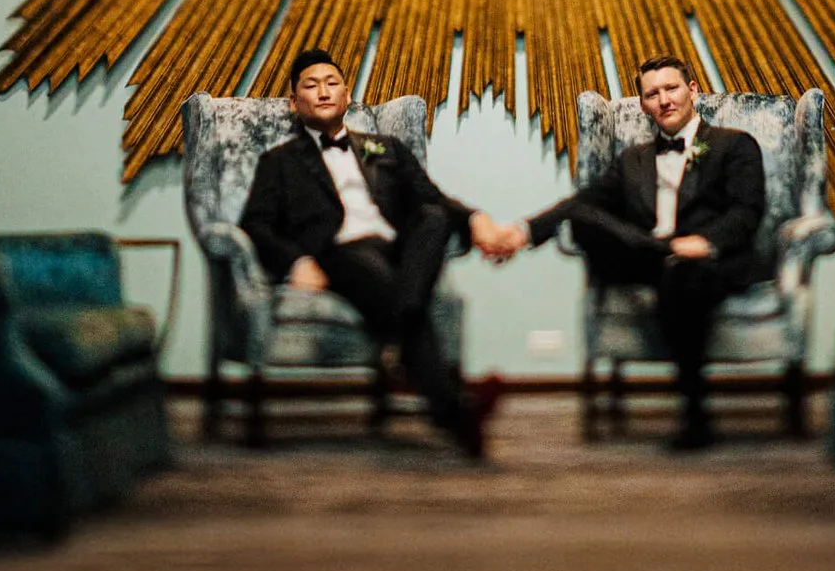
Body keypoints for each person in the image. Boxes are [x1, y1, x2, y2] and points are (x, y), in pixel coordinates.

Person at [480, 55, 765, 450]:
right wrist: (520, 233)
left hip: (708, 261)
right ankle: (659, 253)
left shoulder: (734, 145)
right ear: (643, 103)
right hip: (647, 259)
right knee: (584, 214)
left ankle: (695, 417)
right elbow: (583, 203)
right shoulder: (632, 161)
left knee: (682, 274)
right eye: (653, 93)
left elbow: (746, 211)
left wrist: (704, 242)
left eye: (672, 88)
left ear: (692, 91)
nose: (664, 99)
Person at [237, 48, 508, 457]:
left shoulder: (384, 148)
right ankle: (456, 412)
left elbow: (431, 198)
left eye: (332, 83)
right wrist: (296, 261)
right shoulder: (279, 162)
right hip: (340, 253)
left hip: (401, 252)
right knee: (376, 271)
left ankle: (399, 332)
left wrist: (475, 218)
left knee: (433, 218)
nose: (323, 92)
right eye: (311, 85)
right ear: (295, 102)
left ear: (348, 96)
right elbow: (255, 223)